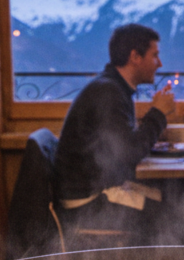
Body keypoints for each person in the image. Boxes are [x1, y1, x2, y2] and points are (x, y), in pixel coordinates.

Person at [53, 23, 176, 236]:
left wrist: (155, 117)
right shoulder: (108, 93)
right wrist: (158, 113)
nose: (160, 63)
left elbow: (122, 146)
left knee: (172, 197)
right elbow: (128, 153)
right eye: (155, 55)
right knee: (172, 216)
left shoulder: (113, 87)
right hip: (88, 201)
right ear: (135, 56)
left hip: (99, 188)